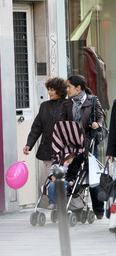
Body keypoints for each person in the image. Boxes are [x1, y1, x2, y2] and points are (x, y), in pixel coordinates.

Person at [59, 75, 105, 219]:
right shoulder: (67, 103)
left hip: (89, 144)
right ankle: (77, 207)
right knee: (73, 175)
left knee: (92, 176)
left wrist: (98, 124)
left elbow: (101, 117)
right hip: (72, 145)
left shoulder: (92, 100)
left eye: (69, 86)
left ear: (78, 88)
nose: (67, 89)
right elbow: (62, 122)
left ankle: (98, 209)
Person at [23, 77, 67, 173]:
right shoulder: (44, 106)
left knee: (64, 183)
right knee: (51, 181)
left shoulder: (68, 105)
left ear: (59, 90)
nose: (49, 92)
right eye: (48, 90)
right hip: (48, 150)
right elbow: (37, 127)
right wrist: (29, 144)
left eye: (52, 90)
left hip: (65, 152)